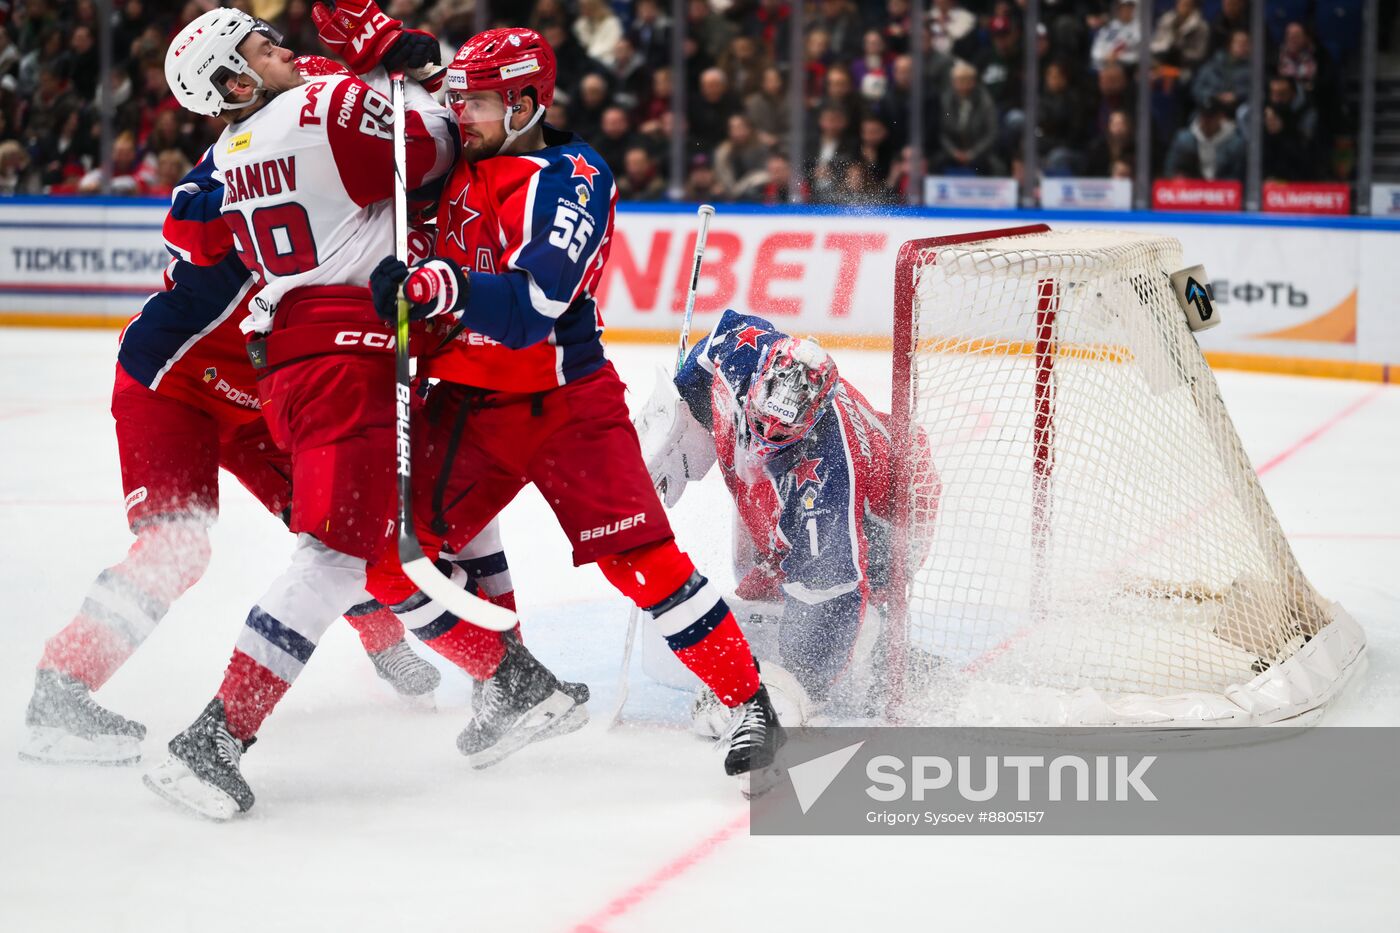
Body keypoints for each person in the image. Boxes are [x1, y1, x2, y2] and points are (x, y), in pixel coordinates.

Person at [144, 6, 580, 820]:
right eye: (259, 47)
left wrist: (387, 57)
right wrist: (404, 60)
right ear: (237, 80)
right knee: (338, 557)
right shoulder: (323, 108)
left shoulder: (235, 145)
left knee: (422, 512)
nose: (281, 49)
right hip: (343, 349)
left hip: (319, 350)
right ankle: (215, 736)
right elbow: (446, 141)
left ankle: (514, 679)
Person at [367, 28, 785, 791]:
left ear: (528, 102)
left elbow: (535, 304)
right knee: (382, 558)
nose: (463, 117)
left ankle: (748, 701)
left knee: (643, 562)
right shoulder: (463, 151)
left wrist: (436, 287)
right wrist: (395, 50)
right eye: (459, 101)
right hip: (468, 403)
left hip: (566, 404)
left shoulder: (571, 176)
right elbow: (389, 106)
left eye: (481, 103)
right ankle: (513, 680)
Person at [20, 127, 440, 768]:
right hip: (170, 385)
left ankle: (381, 641)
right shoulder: (253, 165)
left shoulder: (351, 213)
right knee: (177, 546)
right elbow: (188, 220)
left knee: (338, 529)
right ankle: (61, 689)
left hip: (257, 401)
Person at [641, 309, 940, 721]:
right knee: (763, 573)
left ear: (813, 420)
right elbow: (695, 383)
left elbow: (830, 593)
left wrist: (787, 689)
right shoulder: (739, 345)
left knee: (837, 593)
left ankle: (884, 652)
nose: (762, 447)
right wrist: (669, 440)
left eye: (780, 437)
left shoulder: (829, 474)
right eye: (761, 425)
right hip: (844, 471)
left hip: (895, 506)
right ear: (760, 376)